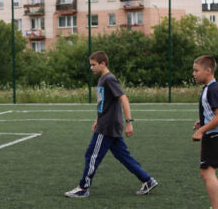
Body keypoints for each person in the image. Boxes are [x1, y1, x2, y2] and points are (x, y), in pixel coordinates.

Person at [64, 51, 158, 198]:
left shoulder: (109, 79)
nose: (91, 68)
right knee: (124, 156)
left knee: (92, 155)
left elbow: (124, 99)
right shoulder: (103, 79)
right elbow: (104, 104)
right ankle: (148, 180)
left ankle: (83, 188)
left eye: (94, 65)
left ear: (103, 64)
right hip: (106, 123)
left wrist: (129, 122)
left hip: (107, 127)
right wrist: (97, 119)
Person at [192, 55, 218, 209]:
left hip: (215, 135)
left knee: (207, 173)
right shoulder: (211, 87)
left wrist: (202, 130)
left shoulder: (212, 88)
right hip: (215, 134)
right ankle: (217, 208)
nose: (194, 74)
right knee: (206, 172)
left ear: (208, 70)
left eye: (196, 70)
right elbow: (215, 113)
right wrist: (203, 122)